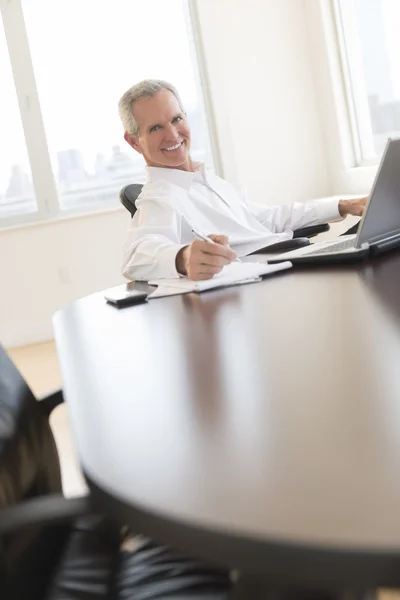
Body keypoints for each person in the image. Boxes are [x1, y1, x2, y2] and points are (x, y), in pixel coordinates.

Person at [119, 79, 366, 281]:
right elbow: (136, 256)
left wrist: (342, 204)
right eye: (155, 128)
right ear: (133, 142)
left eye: (176, 119)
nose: (172, 134)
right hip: (272, 274)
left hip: (294, 258)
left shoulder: (207, 180)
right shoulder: (159, 196)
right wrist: (182, 258)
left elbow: (267, 219)